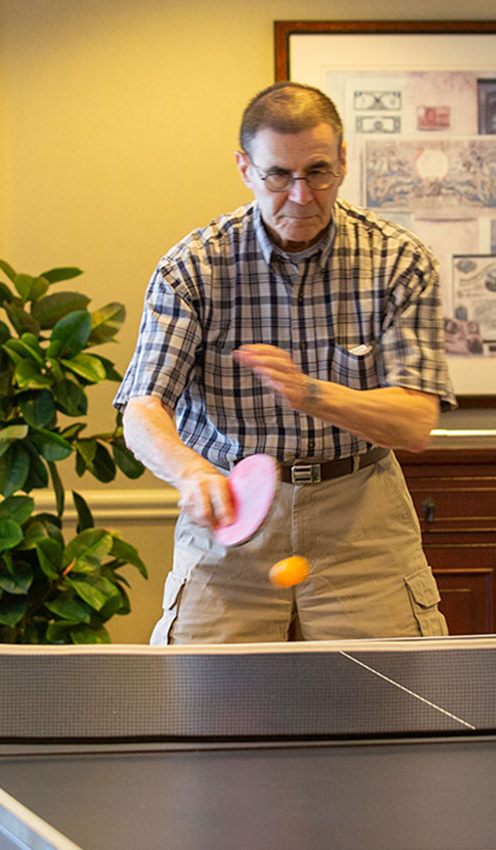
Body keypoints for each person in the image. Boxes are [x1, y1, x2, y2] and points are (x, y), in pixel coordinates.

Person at [114, 81, 456, 644]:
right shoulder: (194, 267)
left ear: (343, 163)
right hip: (231, 516)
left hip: (362, 519)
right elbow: (142, 408)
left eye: (317, 172)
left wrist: (311, 394)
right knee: (206, 718)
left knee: (389, 717)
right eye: (279, 175)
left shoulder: (399, 261)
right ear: (246, 168)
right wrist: (192, 472)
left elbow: (415, 423)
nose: (300, 195)